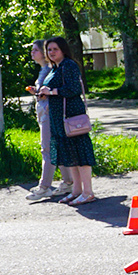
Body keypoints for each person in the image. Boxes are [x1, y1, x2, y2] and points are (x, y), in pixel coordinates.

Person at [43, 37, 96, 204]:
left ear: (63, 50)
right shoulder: (55, 68)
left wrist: (51, 92)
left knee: (80, 153)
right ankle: (77, 190)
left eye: (55, 49)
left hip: (72, 116)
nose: (51, 53)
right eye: (49, 50)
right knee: (69, 154)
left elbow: (74, 89)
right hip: (59, 118)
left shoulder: (69, 65)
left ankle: (87, 192)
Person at [25, 40, 65, 199]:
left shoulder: (49, 69)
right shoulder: (44, 69)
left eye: (35, 50)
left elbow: (49, 91)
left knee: (47, 148)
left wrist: (41, 93)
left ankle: (44, 186)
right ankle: (68, 182)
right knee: (56, 147)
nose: (32, 53)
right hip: (45, 111)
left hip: (49, 111)